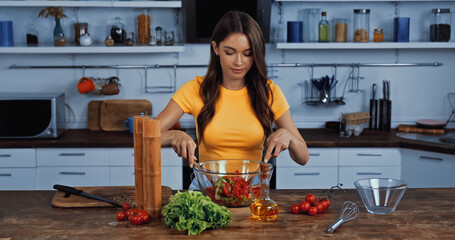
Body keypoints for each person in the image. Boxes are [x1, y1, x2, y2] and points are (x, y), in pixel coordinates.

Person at [156, 11, 309, 183]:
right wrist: (174, 136)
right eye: (230, 52)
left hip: (251, 191)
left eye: (247, 53)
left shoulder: (269, 92)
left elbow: (303, 157)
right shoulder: (195, 89)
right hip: (207, 190)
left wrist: (288, 136)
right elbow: (145, 135)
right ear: (216, 48)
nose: (238, 62)